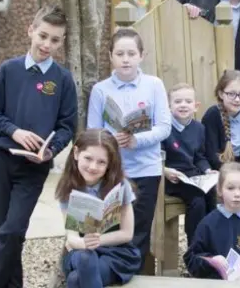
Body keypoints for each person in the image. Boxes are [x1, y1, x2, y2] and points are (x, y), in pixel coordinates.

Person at [0, 5, 78, 288]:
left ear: (61, 43)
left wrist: (51, 150)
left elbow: (66, 125)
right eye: (43, 36)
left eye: (55, 40)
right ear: (31, 31)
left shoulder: (62, 80)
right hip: (2, 160)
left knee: (13, 230)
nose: (47, 44)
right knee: (5, 233)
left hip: (34, 167)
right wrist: (15, 131)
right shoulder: (7, 70)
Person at [87, 28, 172, 268]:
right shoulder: (101, 90)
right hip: (113, 172)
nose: (125, 59)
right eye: (120, 53)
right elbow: (93, 132)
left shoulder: (154, 85)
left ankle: (135, 277)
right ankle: (110, 275)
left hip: (146, 170)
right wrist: (112, 140)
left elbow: (165, 127)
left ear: (141, 56)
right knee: (111, 229)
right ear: (111, 56)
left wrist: (137, 140)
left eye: (131, 53)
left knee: (140, 231)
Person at [55, 129, 141, 287]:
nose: (93, 167)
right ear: (76, 153)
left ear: (110, 164)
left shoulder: (121, 186)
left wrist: (97, 240)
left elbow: (127, 234)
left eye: (101, 162)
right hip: (80, 250)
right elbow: (72, 237)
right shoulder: (67, 188)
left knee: (75, 280)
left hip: (115, 253)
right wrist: (84, 244)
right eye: (88, 158)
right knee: (85, 258)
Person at [184, 162, 240, 281]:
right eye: (230, 188)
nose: (237, 194)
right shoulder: (208, 223)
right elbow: (192, 260)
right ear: (220, 190)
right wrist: (211, 261)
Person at [201, 70, 240, 224]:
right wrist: (230, 173)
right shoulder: (212, 115)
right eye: (231, 94)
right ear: (221, 94)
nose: (237, 99)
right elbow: (211, 152)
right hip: (218, 169)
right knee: (219, 193)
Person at [162, 83, 216, 245]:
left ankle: (211, 239)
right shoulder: (165, 128)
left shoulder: (199, 128)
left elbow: (199, 156)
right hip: (172, 178)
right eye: (178, 102)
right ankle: (195, 245)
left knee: (212, 193)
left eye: (188, 101)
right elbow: (156, 157)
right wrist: (165, 171)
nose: (183, 105)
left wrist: (207, 171)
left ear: (196, 106)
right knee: (197, 201)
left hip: (192, 175)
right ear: (169, 106)